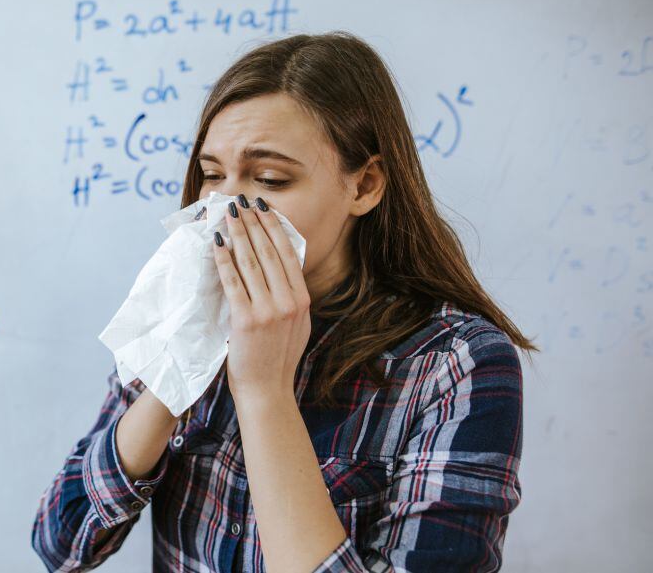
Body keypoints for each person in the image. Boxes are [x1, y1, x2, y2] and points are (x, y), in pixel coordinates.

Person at [31, 30, 535, 572]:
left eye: (269, 178)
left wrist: (264, 390)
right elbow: (62, 546)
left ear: (364, 186)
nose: (226, 207)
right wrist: (175, 369)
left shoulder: (456, 365)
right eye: (213, 176)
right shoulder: (182, 309)